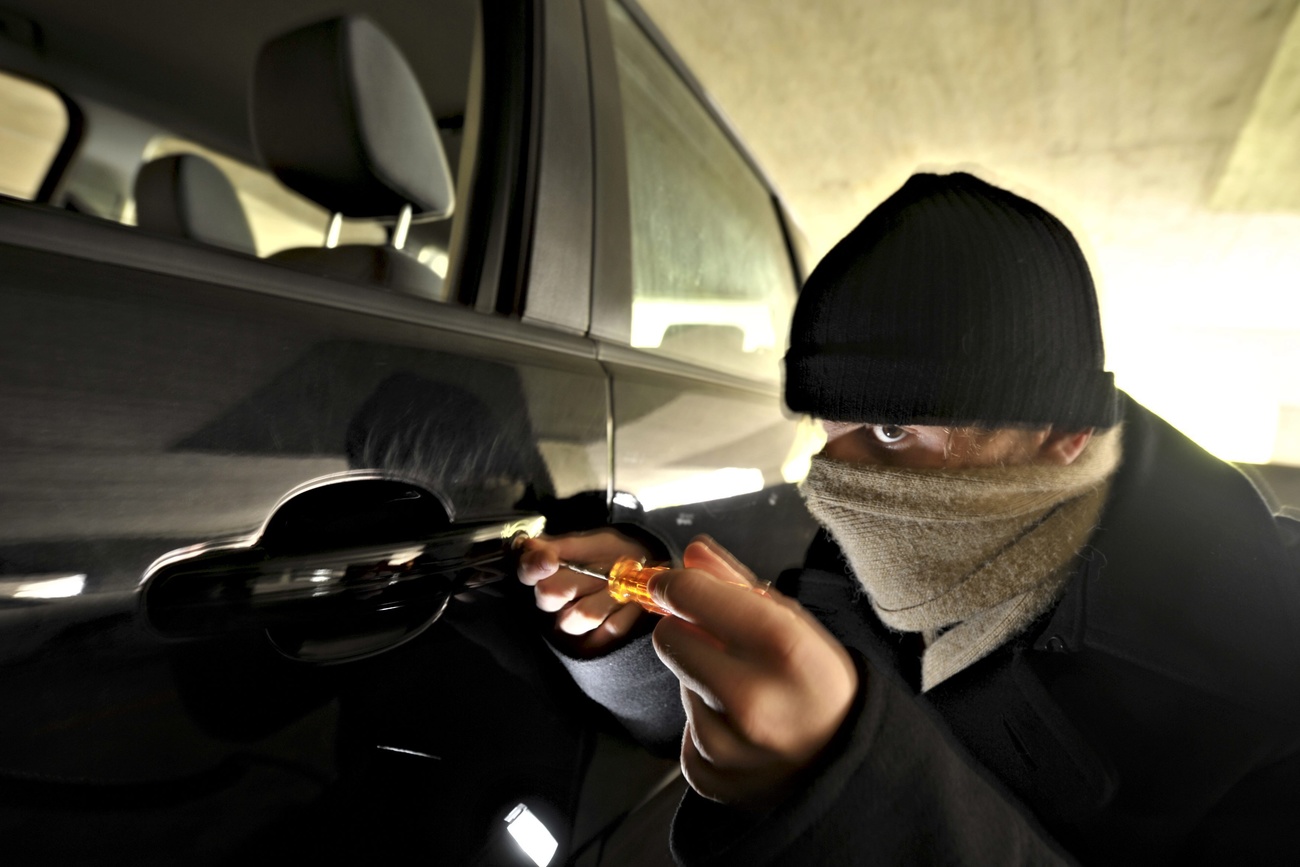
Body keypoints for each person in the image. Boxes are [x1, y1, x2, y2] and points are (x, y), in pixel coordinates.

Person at [517, 172, 1300, 865]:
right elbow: (750, 711)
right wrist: (629, 635)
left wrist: (846, 787)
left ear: (1064, 435)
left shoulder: (1271, 666)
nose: (833, 480)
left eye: (894, 428)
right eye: (827, 426)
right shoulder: (901, 524)